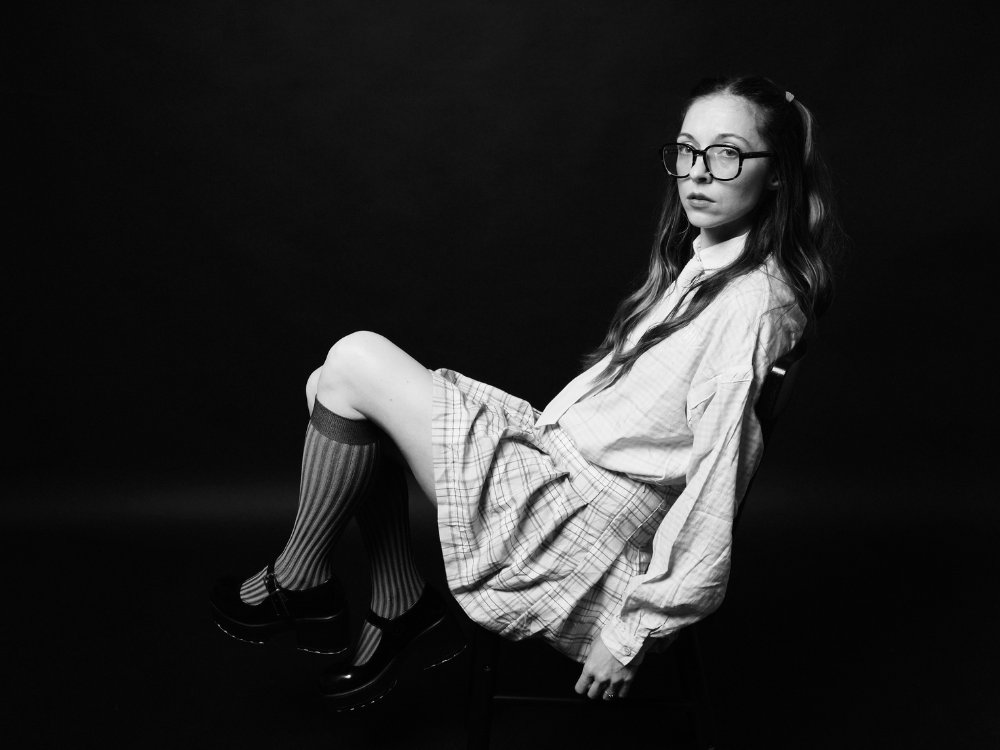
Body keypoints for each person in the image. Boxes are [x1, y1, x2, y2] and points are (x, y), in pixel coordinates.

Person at [210, 73, 841, 709]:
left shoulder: (753, 304)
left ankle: (302, 580)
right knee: (332, 385)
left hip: (579, 536)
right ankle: (394, 603)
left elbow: (716, 481)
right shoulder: (712, 265)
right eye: (686, 150)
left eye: (727, 153)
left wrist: (633, 632)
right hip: (555, 474)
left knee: (351, 361)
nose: (698, 172)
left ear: (778, 172)